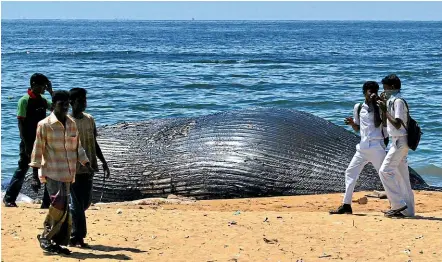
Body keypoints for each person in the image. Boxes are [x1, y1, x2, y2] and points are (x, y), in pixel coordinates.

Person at [29, 90, 94, 255]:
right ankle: (45, 236)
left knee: (64, 208)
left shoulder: (72, 123)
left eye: (66, 104)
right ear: (53, 105)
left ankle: (54, 241)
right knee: (59, 204)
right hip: (52, 171)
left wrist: (86, 162)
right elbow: (37, 150)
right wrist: (34, 175)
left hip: (68, 172)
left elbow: (77, 147)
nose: (65, 107)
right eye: (61, 104)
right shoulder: (44, 125)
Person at [330, 81, 387, 214]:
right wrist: (352, 124)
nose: (372, 93)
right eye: (370, 90)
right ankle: (346, 205)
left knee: (385, 175)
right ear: (364, 92)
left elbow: (379, 123)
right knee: (350, 173)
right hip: (362, 147)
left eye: (375, 90)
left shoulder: (380, 107)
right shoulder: (359, 107)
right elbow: (358, 128)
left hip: (376, 146)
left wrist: (378, 105)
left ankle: (397, 204)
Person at [68, 88, 110, 248]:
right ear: (71, 103)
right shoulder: (67, 121)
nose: (84, 104)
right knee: (76, 204)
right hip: (72, 168)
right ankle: (77, 236)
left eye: (85, 100)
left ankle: (72, 232)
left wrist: (103, 161)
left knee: (85, 203)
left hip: (90, 167)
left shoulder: (89, 119)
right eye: (80, 101)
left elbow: (94, 142)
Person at [3, 73, 53, 207]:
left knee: (47, 169)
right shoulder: (24, 100)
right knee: (23, 169)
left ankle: (47, 202)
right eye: (43, 85)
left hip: (42, 140)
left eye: (45, 86)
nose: (44, 88)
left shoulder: (43, 100)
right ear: (34, 85)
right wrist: (27, 145)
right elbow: (21, 125)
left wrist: (51, 91)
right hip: (28, 141)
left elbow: (56, 108)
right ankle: (9, 199)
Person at [377, 74, 415, 218]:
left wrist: (385, 109)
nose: (384, 90)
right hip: (397, 141)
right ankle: (409, 211)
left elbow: (398, 123)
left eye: (385, 88)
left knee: (385, 171)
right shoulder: (391, 101)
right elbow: (386, 124)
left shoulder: (398, 101)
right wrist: (383, 106)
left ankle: (397, 205)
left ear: (392, 87)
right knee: (402, 178)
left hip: (400, 141)